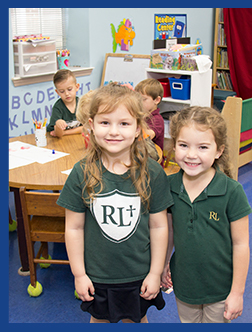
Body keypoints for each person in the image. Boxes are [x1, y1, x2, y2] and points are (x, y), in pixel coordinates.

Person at [57, 83, 173, 323]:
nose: (114, 131)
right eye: (105, 122)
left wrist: (155, 272)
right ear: (91, 125)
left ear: (138, 128)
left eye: (124, 123)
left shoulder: (152, 172)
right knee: (98, 321)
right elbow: (74, 228)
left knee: (137, 320)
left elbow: (159, 226)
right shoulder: (81, 172)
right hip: (98, 274)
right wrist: (79, 274)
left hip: (138, 273)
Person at [161, 106, 252, 323]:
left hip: (220, 288)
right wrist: (164, 263)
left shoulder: (231, 191)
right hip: (184, 283)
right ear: (174, 147)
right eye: (183, 145)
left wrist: (237, 293)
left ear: (218, 151)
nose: (191, 155)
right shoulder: (170, 185)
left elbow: (241, 244)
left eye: (203, 147)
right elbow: (170, 230)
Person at [47, 69, 82, 137]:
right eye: (62, 91)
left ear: (77, 87)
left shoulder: (82, 104)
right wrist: (58, 125)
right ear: (57, 92)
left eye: (69, 89)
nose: (67, 94)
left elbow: (86, 128)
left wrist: (65, 133)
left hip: (75, 138)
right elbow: (58, 134)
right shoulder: (58, 107)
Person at [135, 78, 164, 151]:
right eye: (137, 99)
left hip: (152, 159)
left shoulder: (157, 119)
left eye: (144, 99)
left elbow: (147, 135)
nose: (139, 102)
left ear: (157, 100)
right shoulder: (141, 114)